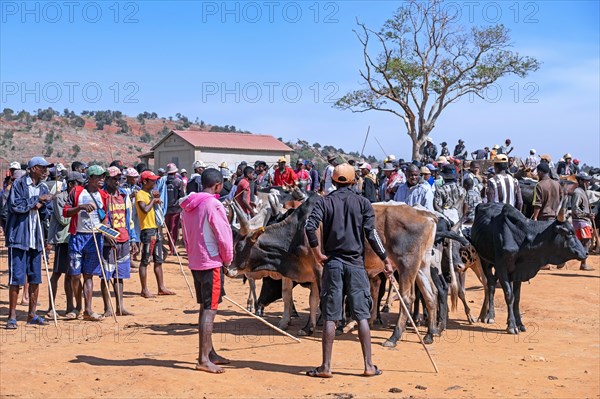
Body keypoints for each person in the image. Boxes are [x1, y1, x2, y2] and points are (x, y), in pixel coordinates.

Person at [305, 163, 393, 378]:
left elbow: (309, 226)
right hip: (355, 265)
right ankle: (368, 366)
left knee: (330, 317)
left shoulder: (324, 202)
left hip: (333, 263)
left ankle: (326, 367)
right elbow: (372, 235)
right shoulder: (363, 203)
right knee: (362, 316)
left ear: (334, 181)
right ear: (354, 181)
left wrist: (317, 254)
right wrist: (385, 260)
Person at [180, 168, 233, 374]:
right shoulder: (213, 204)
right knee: (209, 311)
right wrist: (227, 260)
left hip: (195, 260)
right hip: (211, 263)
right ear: (218, 185)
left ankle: (209, 353)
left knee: (204, 308)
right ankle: (203, 359)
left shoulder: (188, 205)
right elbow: (224, 235)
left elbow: (184, 234)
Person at [5, 157, 54, 329]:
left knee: (35, 277)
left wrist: (45, 205)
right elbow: (15, 206)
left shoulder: (43, 187)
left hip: (36, 238)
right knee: (16, 278)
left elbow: (47, 212)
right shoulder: (19, 184)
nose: (46, 171)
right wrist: (38, 201)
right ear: (33, 169)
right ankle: (12, 316)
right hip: (19, 238)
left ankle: (32, 314)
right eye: (43, 168)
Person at [63, 165, 111, 322]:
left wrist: (108, 230)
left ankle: (88, 310)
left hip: (95, 238)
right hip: (78, 237)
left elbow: (105, 217)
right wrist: (80, 207)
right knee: (75, 275)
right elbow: (66, 211)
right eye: (99, 177)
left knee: (88, 275)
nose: (102, 179)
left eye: (103, 177)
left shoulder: (103, 195)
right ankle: (77, 307)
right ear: (90, 178)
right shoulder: (77, 192)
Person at [100, 167, 139, 316]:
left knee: (120, 275)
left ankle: (120, 306)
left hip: (124, 239)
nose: (116, 182)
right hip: (108, 241)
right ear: (107, 179)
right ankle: (107, 308)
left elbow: (129, 219)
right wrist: (108, 234)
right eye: (113, 179)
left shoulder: (124, 195)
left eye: (118, 179)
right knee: (106, 275)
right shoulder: (101, 195)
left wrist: (133, 238)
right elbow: (99, 219)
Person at [47, 171, 84, 319]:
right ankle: (51, 307)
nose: (81, 186)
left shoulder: (80, 197)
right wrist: (78, 211)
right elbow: (64, 219)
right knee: (57, 273)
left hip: (75, 238)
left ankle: (71, 306)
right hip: (63, 239)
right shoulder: (60, 198)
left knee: (71, 274)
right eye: (78, 184)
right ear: (70, 184)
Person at [136, 170, 175, 298]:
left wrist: (154, 199)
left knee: (158, 260)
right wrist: (154, 200)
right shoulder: (141, 194)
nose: (155, 182)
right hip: (147, 230)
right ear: (145, 181)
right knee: (145, 260)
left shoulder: (149, 194)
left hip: (156, 229)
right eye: (152, 180)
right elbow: (145, 209)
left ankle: (161, 287)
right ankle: (144, 289)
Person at [571, 173, 595, 271]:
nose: (588, 183)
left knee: (582, 242)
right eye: (586, 181)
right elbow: (574, 209)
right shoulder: (578, 192)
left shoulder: (582, 191)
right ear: (580, 181)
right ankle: (583, 264)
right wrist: (587, 215)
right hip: (581, 222)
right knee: (586, 242)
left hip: (584, 221)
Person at [164, 163, 185, 256]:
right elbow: (182, 196)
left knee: (168, 229)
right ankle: (172, 249)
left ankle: (170, 247)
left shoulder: (163, 181)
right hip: (175, 209)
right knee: (174, 229)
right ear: (175, 172)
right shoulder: (178, 182)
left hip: (165, 209)